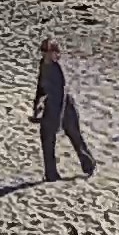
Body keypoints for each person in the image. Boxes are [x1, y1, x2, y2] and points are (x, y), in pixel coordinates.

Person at [33, 40, 96, 179]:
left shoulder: (56, 70)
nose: (45, 54)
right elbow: (40, 87)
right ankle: (51, 173)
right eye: (44, 51)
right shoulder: (43, 65)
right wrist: (36, 106)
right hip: (50, 106)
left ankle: (89, 164)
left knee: (75, 138)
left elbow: (61, 95)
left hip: (65, 108)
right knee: (47, 140)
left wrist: (59, 119)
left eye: (48, 51)